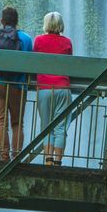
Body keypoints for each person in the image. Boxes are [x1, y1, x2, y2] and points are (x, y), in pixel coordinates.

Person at [0, 6, 33, 161]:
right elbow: (30, 65)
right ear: (17, 22)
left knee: (1, 122)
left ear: (1, 21)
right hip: (17, 86)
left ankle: (3, 158)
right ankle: (17, 158)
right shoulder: (26, 39)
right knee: (17, 123)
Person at [32, 12, 73, 166]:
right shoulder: (67, 42)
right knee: (60, 127)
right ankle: (58, 162)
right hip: (63, 87)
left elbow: (33, 61)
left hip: (44, 88)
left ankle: (48, 160)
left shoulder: (39, 40)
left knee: (46, 125)